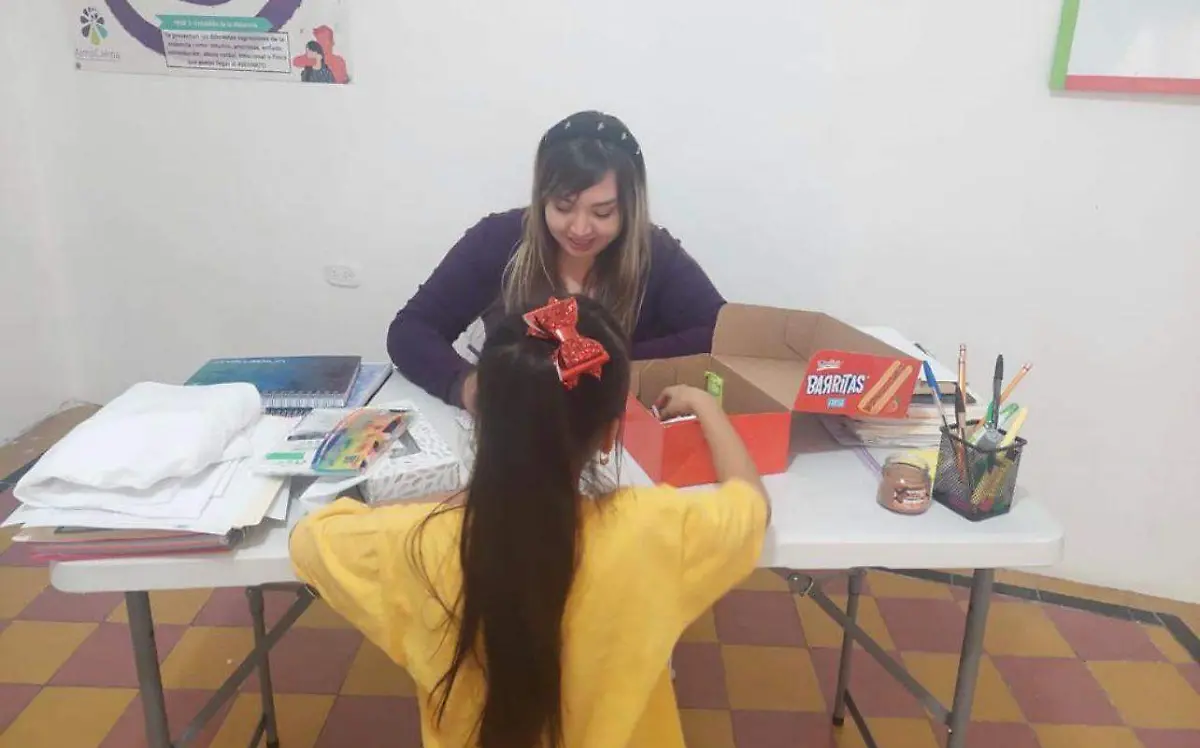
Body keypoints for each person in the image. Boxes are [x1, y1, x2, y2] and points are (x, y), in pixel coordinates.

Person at [293, 297, 770, 748]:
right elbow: (751, 505)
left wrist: (462, 499)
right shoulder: (654, 529)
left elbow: (310, 537)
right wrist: (705, 406)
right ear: (610, 435)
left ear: (482, 422)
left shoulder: (418, 545)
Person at [387, 110, 726, 413]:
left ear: (630, 207)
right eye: (563, 208)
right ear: (542, 198)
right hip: (519, 427)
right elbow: (410, 330)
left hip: (621, 429)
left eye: (603, 212)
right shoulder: (498, 240)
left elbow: (721, 334)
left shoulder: (653, 252)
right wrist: (468, 387)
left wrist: (601, 360)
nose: (580, 229)